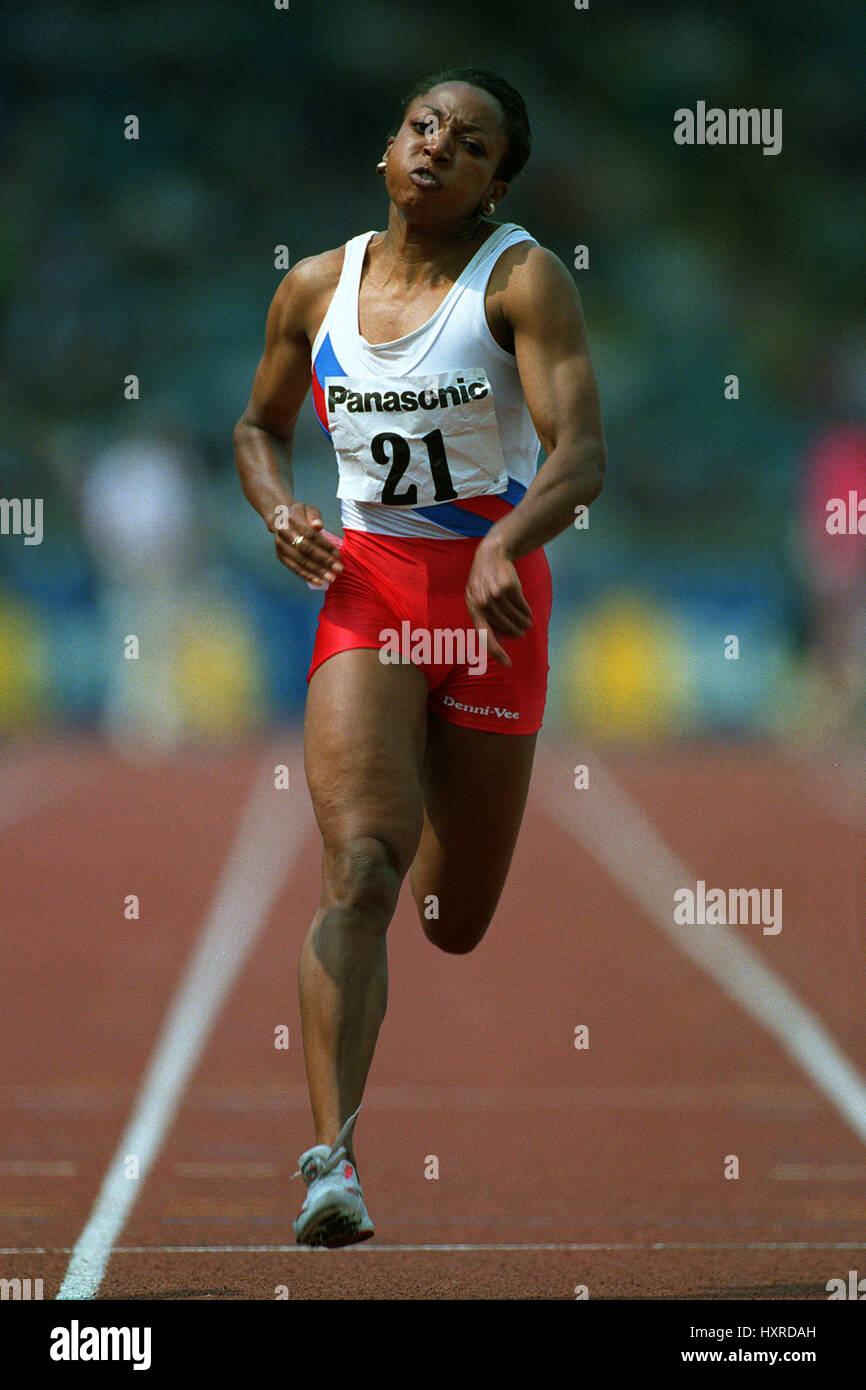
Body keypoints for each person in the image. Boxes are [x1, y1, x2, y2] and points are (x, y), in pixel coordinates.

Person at [233, 67, 606, 1247]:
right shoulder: (313, 287)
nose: (438, 147)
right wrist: (279, 507)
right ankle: (330, 1164)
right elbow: (259, 426)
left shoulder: (521, 280)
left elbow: (579, 453)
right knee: (360, 871)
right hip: (369, 593)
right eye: (422, 126)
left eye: (472, 141)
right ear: (388, 150)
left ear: (498, 179)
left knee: (449, 916)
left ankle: (432, 813)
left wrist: (507, 535)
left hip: (492, 606)